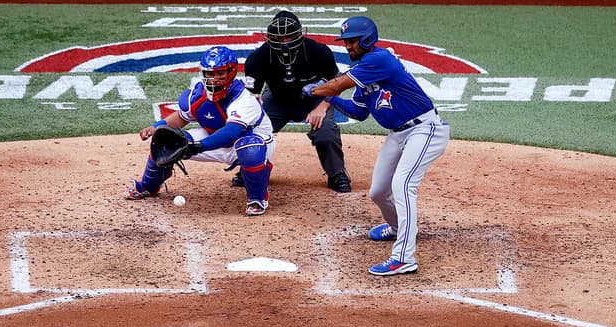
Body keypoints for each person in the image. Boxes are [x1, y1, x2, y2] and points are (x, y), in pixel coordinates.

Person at [305, 15, 451, 276]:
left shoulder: (378, 59)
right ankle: (396, 226)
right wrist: (333, 99)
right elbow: (359, 112)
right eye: (346, 42)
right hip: (398, 134)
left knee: (403, 184)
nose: (348, 47)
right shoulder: (365, 72)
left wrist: (319, 91)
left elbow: (338, 84)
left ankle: (404, 257)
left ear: (368, 39)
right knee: (378, 192)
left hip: (424, 129)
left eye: (353, 42)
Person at [126, 46, 275, 216]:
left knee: (249, 148)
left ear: (231, 72)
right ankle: (148, 186)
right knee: (165, 139)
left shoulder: (244, 99)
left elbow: (231, 132)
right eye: (209, 73)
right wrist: (156, 127)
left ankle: (257, 198)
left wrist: (199, 146)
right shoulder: (197, 95)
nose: (213, 79)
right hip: (213, 139)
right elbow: (181, 117)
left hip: (252, 140)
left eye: (219, 73)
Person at [239, 9, 352, 193]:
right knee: (251, 127)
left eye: (289, 37)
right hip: (277, 99)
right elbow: (251, 94)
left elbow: (336, 83)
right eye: (279, 38)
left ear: (299, 34)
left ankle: (337, 174)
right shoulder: (257, 58)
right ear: (270, 37)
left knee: (326, 132)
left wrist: (322, 107)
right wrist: (255, 107)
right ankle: (250, 169)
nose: (285, 42)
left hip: (316, 99)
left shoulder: (318, 51)